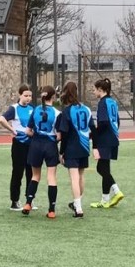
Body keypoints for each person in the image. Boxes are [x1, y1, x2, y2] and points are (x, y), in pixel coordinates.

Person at [56, 81, 93, 218]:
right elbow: (92, 129)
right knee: (81, 176)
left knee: (74, 178)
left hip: (72, 148)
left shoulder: (67, 111)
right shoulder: (86, 109)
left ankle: (78, 208)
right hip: (84, 147)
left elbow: (64, 134)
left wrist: (61, 152)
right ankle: (78, 203)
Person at [22, 85, 60, 219]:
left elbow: (27, 131)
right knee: (51, 177)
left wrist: (37, 136)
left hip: (36, 144)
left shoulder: (36, 110)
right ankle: (51, 210)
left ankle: (28, 203)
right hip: (50, 145)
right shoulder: (57, 113)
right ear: (53, 97)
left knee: (35, 176)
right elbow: (59, 135)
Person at [0, 84, 35, 211]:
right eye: (26, 95)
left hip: (31, 145)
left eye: (30, 95)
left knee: (31, 173)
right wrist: (12, 129)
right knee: (18, 172)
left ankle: (29, 200)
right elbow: (1, 119)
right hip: (19, 145)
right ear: (20, 95)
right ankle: (15, 201)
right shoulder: (14, 108)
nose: (28, 98)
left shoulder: (32, 109)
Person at [89, 78, 125, 209]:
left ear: (100, 90)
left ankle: (116, 190)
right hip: (113, 137)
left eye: (94, 89)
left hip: (105, 138)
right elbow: (117, 121)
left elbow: (103, 122)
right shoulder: (113, 102)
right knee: (105, 168)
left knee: (101, 168)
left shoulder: (103, 103)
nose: (93, 92)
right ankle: (105, 200)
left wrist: (94, 133)